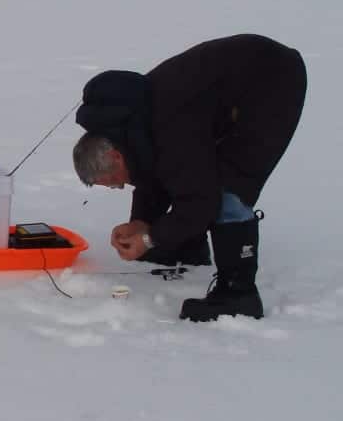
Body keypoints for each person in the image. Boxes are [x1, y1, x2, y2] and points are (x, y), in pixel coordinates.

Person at [72, 34, 307, 321]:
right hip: (237, 85)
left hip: (273, 82)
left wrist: (149, 238)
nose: (120, 186)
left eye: (113, 181)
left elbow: (200, 201)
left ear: (115, 157)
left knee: (227, 189)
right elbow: (152, 172)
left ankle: (238, 294)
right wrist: (141, 222)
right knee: (191, 174)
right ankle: (186, 247)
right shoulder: (132, 127)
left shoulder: (170, 128)